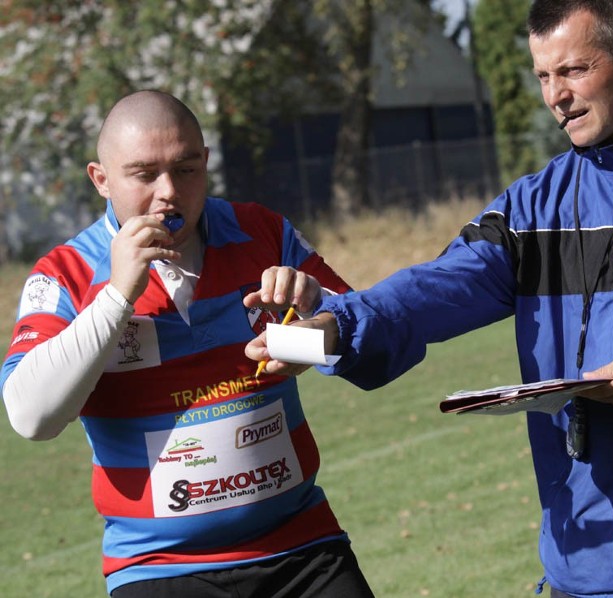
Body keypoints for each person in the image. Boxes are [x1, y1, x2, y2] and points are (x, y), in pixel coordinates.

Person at [245, 1, 613, 597]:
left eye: (575, 70)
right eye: (543, 76)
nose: (557, 96)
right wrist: (333, 328)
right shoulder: (533, 211)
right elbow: (434, 289)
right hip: (581, 550)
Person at [1, 90, 374, 598]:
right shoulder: (63, 275)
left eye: (186, 168)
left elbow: (367, 332)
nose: (169, 192)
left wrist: (315, 319)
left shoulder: (262, 232)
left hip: (302, 547)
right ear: (101, 179)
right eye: (144, 174)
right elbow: (31, 418)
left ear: (206, 162)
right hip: (161, 568)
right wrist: (116, 297)